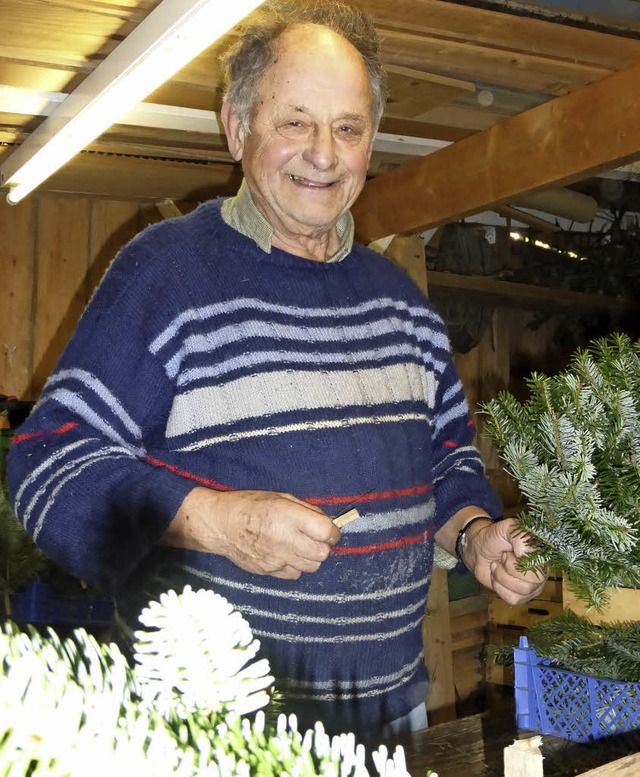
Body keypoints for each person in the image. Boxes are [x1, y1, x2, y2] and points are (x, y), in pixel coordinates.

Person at [7, 0, 545, 738]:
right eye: (295, 122)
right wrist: (218, 522)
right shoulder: (166, 275)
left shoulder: (400, 304)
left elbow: (444, 462)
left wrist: (477, 531)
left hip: (391, 715)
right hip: (219, 727)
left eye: (348, 128)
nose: (324, 153)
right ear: (237, 127)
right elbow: (47, 467)